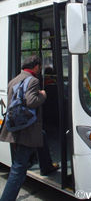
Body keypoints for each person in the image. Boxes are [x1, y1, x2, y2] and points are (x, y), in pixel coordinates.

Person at [0, 55, 59, 201]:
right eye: (39, 66)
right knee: (18, 169)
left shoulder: (14, 80)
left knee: (42, 135)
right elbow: (32, 101)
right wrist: (43, 95)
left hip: (17, 126)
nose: (40, 69)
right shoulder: (33, 80)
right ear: (35, 66)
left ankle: (46, 166)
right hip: (27, 129)